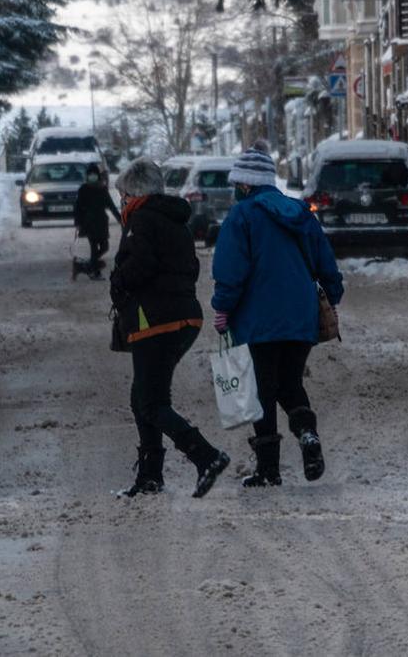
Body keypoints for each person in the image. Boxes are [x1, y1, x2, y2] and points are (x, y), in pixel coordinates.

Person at [212, 145, 344, 487]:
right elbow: (325, 261)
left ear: (243, 184)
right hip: (300, 316)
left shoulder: (241, 216)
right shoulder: (301, 212)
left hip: (257, 320)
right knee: (290, 383)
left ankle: (268, 470)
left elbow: (231, 270)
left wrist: (222, 307)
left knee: (262, 392)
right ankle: (308, 435)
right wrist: (333, 294)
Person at [110, 158, 230, 498]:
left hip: (155, 321)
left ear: (134, 192)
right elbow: (189, 267)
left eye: (123, 195)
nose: (121, 202)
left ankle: (205, 456)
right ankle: (150, 476)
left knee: (151, 402)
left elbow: (141, 265)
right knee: (142, 398)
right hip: (183, 317)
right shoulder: (174, 220)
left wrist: (118, 280)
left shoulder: (143, 220)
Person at [73, 166, 119, 280]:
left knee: (105, 247)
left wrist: (120, 218)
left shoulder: (102, 189)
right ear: (87, 176)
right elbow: (77, 207)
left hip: (101, 222)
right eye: (90, 174)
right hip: (88, 223)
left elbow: (111, 205)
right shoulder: (83, 189)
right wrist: (78, 222)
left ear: (98, 175)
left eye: (94, 174)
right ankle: (94, 272)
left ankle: (84, 266)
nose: (92, 176)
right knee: (94, 248)